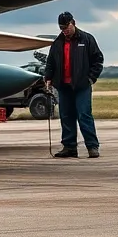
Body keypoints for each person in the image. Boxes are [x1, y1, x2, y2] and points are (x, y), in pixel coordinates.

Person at [43, 11, 103, 158]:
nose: (65, 30)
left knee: (84, 115)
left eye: (66, 27)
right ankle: (69, 147)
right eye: (62, 28)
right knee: (66, 115)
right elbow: (50, 62)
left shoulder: (87, 39)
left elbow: (98, 60)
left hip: (82, 85)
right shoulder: (57, 43)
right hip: (63, 86)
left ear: (73, 23)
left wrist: (90, 79)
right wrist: (48, 78)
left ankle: (92, 146)